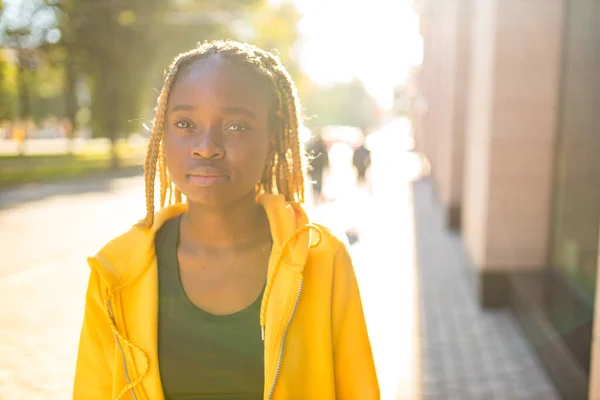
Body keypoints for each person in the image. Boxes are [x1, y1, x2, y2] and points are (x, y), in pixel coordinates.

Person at [74, 40, 379, 400]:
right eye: (185, 123)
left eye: (236, 126)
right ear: (162, 134)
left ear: (273, 140)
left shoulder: (322, 258)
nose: (206, 146)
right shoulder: (116, 271)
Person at [306, 130, 329, 202]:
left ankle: (315, 194)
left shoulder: (312, 145)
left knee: (314, 181)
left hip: (313, 167)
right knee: (319, 181)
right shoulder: (322, 146)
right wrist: (327, 165)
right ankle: (317, 194)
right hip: (319, 168)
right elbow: (325, 157)